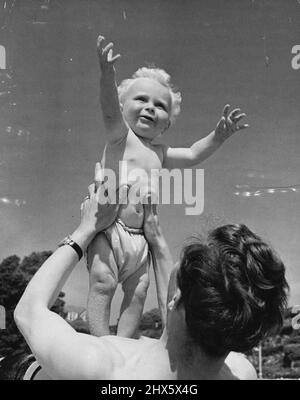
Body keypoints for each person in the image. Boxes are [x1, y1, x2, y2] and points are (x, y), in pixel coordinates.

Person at [14, 168, 288, 380]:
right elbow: (196, 309)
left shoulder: (104, 366)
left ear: (176, 297)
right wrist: (155, 239)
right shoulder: (242, 371)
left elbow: (28, 311)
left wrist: (85, 230)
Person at [87, 35, 249, 337]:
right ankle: (99, 343)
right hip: (108, 229)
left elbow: (192, 154)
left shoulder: (160, 152)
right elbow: (108, 107)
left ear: (166, 125)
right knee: (102, 282)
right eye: (141, 100)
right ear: (122, 109)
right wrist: (106, 75)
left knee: (137, 292)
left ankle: (123, 346)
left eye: (159, 106)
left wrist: (219, 136)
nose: (150, 107)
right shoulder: (120, 136)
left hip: (141, 238)